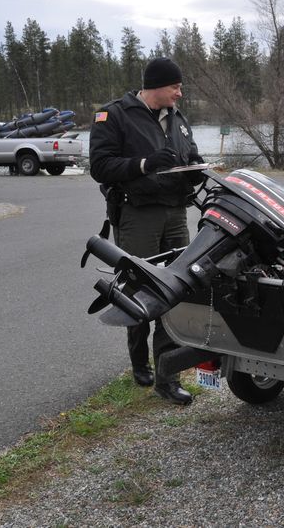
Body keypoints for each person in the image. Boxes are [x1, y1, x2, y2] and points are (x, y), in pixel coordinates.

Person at [89, 57, 206, 405]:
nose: (180, 94)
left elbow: (190, 154)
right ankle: (139, 361)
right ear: (156, 85)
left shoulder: (178, 119)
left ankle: (167, 375)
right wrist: (143, 165)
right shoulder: (115, 115)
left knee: (176, 290)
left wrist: (195, 170)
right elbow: (100, 166)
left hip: (175, 214)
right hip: (138, 215)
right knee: (139, 289)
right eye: (176, 87)